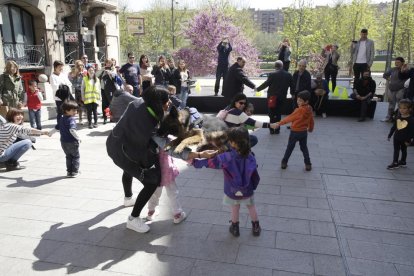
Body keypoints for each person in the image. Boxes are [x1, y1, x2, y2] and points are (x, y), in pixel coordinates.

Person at [106, 85, 217, 233]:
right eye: (167, 100)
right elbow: (169, 147)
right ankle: (133, 219)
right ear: (158, 103)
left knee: (128, 170)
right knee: (152, 182)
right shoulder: (150, 125)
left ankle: (128, 198)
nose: (169, 102)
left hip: (115, 142)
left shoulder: (139, 102)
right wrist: (199, 154)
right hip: (122, 151)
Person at [192, 126, 261, 237]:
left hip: (232, 189)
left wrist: (194, 162)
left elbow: (209, 163)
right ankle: (256, 227)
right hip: (247, 189)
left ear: (232, 143)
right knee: (251, 207)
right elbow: (254, 173)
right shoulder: (250, 156)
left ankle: (235, 228)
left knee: (234, 208)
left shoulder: (226, 157)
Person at [274, 91, 314, 171]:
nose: (298, 102)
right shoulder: (309, 109)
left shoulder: (299, 110)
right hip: (303, 133)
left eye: (300, 100)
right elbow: (311, 120)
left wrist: (279, 123)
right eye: (297, 100)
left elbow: (290, 118)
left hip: (295, 132)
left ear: (306, 101)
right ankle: (308, 164)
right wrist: (310, 128)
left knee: (290, 148)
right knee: (304, 148)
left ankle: (284, 162)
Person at [146, 146, 186, 224]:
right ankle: (177, 214)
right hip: (167, 169)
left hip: (154, 170)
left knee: (154, 192)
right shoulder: (166, 139)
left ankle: (151, 211)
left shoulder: (149, 138)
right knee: (173, 192)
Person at [256, 60, 294, 134]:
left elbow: (266, 84)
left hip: (272, 98)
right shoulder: (288, 75)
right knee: (278, 113)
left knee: (271, 113)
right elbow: (292, 86)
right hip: (282, 97)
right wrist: (292, 94)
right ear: (282, 66)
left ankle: (271, 129)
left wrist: (257, 89)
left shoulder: (272, 74)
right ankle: (277, 130)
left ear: (275, 66)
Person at [387, 99, 414, 170]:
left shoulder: (411, 120)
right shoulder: (398, 117)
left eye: (404, 108)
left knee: (404, 150)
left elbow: (412, 131)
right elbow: (394, 127)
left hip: (404, 139)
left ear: (409, 109)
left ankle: (403, 161)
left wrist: (408, 140)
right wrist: (390, 135)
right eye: (400, 108)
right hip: (396, 137)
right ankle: (395, 162)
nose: (401, 110)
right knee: (396, 150)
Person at [382, 57, 409, 122]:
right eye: (395, 62)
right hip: (392, 89)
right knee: (391, 103)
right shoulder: (393, 69)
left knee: (400, 103)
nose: (396, 64)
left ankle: (399, 118)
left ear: (402, 63)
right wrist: (389, 79)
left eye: (398, 62)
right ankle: (389, 117)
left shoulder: (406, 70)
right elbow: (385, 75)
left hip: (401, 89)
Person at [59, 100, 81, 177]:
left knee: (68, 157)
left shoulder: (62, 118)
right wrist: (78, 138)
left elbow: (57, 127)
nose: (76, 112)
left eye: (76, 110)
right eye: (74, 110)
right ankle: (75, 171)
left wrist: (50, 133)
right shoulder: (71, 119)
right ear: (66, 111)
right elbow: (72, 130)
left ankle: (69, 172)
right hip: (72, 142)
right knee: (75, 156)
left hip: (63, 142)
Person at [50, 60, 73, 130]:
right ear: (55, 67)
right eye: (60, 67)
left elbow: (69, 84)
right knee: (60, 113)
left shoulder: (63, 75)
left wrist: (63, 86)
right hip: (59, 98)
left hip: (66, 96)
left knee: (67, 111)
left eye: (62, 67)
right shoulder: (52, 76)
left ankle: (66, 124)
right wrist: (63, 86)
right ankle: (59, 126)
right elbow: (55, 87)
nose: (61, 68)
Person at [100, 59, 117, 124]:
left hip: (110, 89)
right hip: (103, 88)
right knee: (104, 104)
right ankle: (105, 118)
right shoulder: (103, 69)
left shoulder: (113, 69)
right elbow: (96, 75)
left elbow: (114, 76)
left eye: (110, 63)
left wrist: (109, 72)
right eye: (107, 63)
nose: (108, 64)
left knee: (111, 103)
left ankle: (111, 117)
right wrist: (102, 70)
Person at [69, 60, 86, 124]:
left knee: (86, 104)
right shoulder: (74, 74)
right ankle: (80, 119)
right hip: (78, 91)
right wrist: (75, 75)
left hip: (85, 91)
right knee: (79, 105)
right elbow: (72, 83)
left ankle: (87, 117)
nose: (80, 67)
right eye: (78, 65)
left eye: (81, 65)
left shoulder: (85, 72)